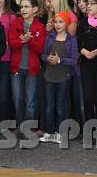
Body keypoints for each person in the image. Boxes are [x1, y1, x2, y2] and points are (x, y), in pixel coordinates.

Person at [40, 11, 79, 143]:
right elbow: (43, 55)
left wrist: (59, 60)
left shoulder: (71, 39)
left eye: (61, 22)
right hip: (49, 76)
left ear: (67, 23)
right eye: (56, 22)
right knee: (49, 105)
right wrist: (48, 58)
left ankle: (60, 132)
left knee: (60, 105)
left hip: (63, 76)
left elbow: (74, 60)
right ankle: (49, 132)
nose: (57, 24)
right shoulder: (49, 37)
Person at [9, 0, 46, 130]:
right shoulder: (15, 24)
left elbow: (41, 48)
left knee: (31, 101)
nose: (23, 9)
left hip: (33, 70)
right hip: (16, 69)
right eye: (22, 7)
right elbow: (12, 44)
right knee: (17, 99)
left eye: (27, 6)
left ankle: (28, 129)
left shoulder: (40, 27)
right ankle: (20, 125)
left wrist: (29, 41)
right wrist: (22, 41)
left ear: (35, 9)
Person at [0, 0, 16, 125]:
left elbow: (13, 38)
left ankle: (0, 123)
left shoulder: (11, 16)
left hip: (6, 58)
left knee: (2, 94)